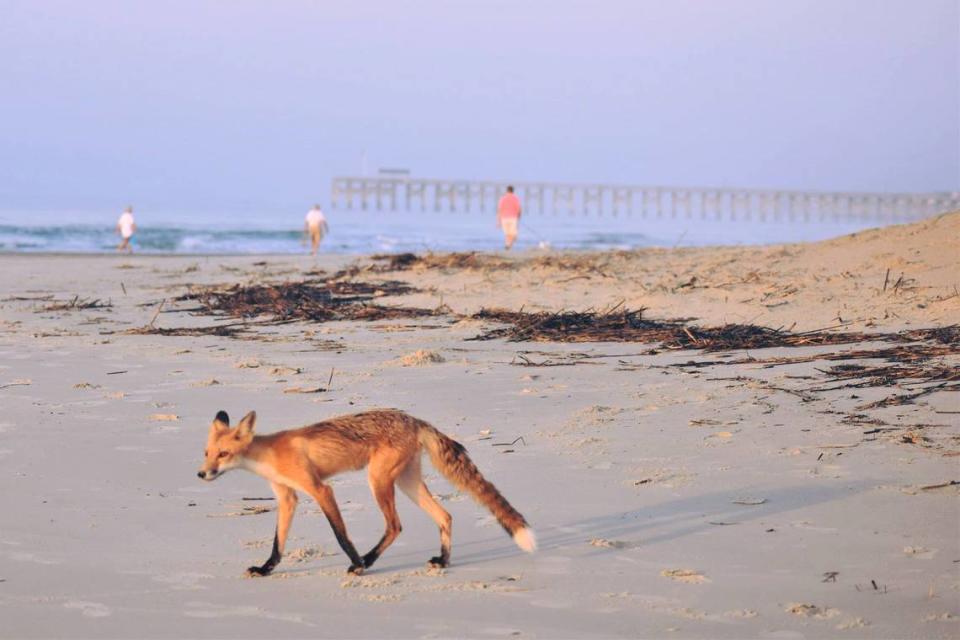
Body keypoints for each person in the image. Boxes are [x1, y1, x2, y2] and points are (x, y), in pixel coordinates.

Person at [496, 186, 522, 250]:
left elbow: (499, 210)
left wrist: (498, 221)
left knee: (508, 234)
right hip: (513, 218)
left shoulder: (503, 198)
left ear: (507, 190)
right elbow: (519, 209)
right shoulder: (515, 198)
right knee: (513, 235)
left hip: (504, 218)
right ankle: (508, 245)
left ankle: (507, 245)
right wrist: (519, 217)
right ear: (513, 191)